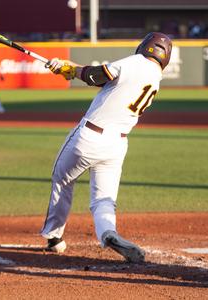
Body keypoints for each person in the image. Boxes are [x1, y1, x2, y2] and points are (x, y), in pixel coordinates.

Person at [40, 32, 172, 263]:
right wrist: (69, 68)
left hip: (89, 135)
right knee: (104, 199)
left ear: (144, 46)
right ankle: (107, 233)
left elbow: (96, 76)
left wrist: (68, 68)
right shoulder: (156, 77)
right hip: (117, 144)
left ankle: (54, 237)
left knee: (62, 179)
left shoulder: (136, 62)